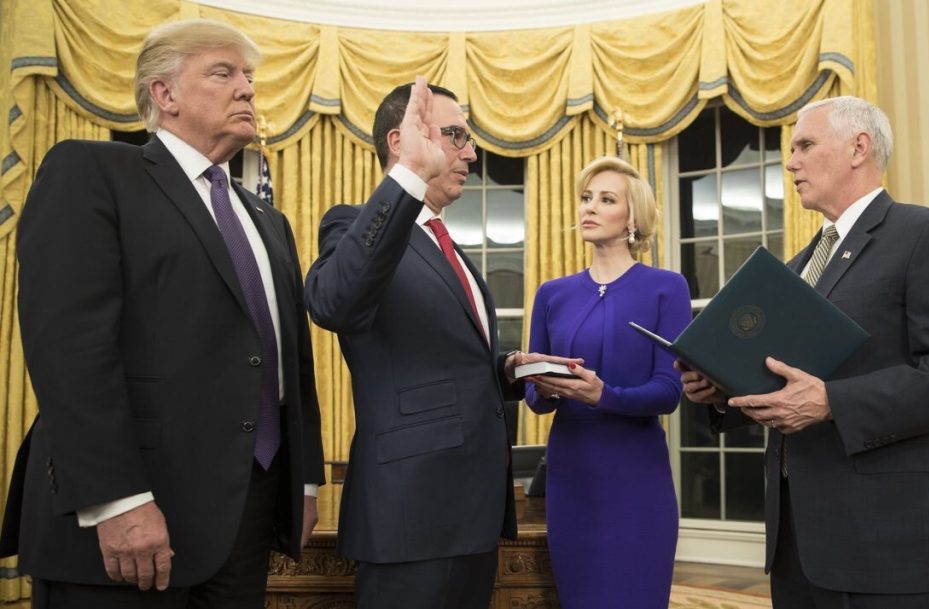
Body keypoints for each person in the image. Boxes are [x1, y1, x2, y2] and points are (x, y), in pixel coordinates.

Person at [0, 19, 325, 608]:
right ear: (164, 94)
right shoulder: (92, 172)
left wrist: (302, 481)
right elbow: (70, 350)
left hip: (247, 516)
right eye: (223, 73)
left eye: (249, 75)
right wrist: (117, 499)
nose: (248, 88)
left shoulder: (268, 222)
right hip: (127, 518)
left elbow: (287, 363)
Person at [682, 96, 929, 608]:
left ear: (859, 148)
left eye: (805, 145)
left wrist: (834, 401)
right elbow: (786, 381)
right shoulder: (797, 266)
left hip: (883, 544)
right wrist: (722, 389)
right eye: (791, 150)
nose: (790, 162)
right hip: (795, 546)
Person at [304, 79, 567, 609]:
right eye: (456, 135)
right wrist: (407, 179)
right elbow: (334, 303)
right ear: (401, 141)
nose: (471, 152)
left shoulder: (452, 249)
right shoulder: (353, 224)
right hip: (411, 512)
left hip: (474, 513)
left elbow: (445, 361)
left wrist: (511, 368)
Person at [523, 156, 691, 609]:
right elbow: (534, 397)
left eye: (606, 199)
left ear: (632, 217)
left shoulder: (667, 287)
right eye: (585, 198)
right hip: (571, 475)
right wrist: (543, 386)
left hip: (637, 478)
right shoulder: (551, 294)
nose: (589, 208)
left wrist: (604, 395)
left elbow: (669, 392)